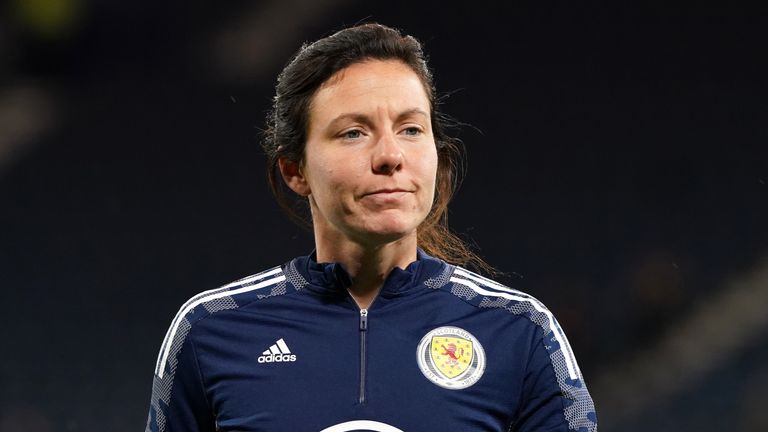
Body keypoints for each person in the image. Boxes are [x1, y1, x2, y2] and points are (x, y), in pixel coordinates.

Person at [145, 23, 597, 432]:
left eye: (411, 129)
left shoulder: (519, 333)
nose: (389, 155)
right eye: (353, 133)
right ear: (294, 169)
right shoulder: (212, 331)